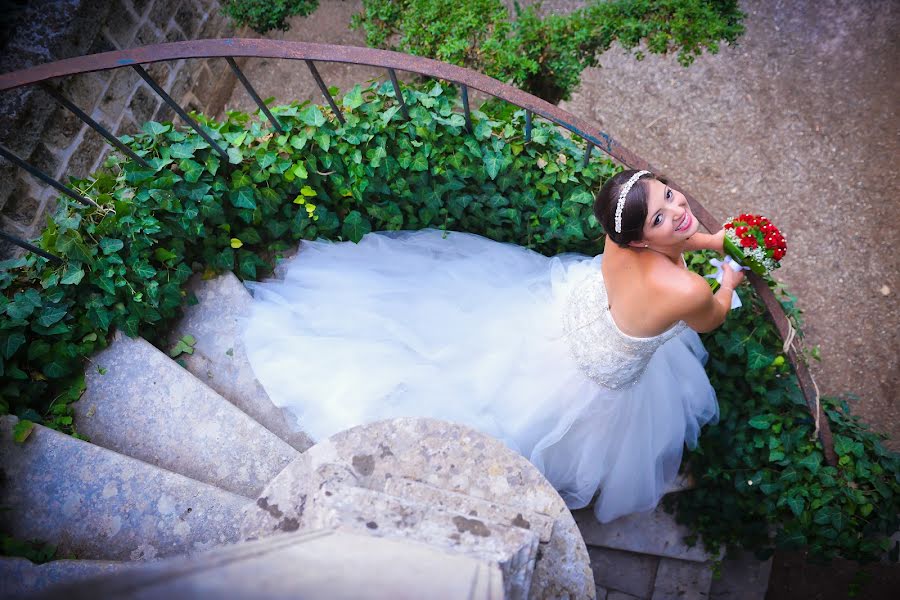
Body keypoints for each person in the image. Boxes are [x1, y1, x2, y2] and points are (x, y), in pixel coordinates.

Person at [242, 169, 745, 523]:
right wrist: (728, 277)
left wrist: (709, 240)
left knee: (488, 365)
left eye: (672, 197)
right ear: (639, 237)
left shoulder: (620, 230)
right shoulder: (689, 292)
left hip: (573, 314)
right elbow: (710, 319)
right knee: (541, 431)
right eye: (661, 214)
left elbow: (665, 243)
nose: (679, 211)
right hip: (603, 372)